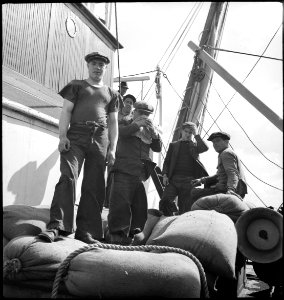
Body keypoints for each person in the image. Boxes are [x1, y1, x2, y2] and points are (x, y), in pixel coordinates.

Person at [38, 52, 119, 244]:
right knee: (68, 176)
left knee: (95, 184)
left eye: (101, 65)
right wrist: (62, 136)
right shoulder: (76, 86)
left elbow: (114, 123)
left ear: (105, 68)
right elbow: (66, 111)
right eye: (94, 64)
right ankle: (58, 226)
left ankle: (86, 231)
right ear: (88, 66)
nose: (98, 67)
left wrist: (113, 149)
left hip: (100, 138)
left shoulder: (112, 94)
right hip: (76, 136)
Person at [107, 101, 162, 245]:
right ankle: (117, 237)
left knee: (139, 206)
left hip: (140, 173)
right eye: (142, 113)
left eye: (147, 114)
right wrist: (137, 125)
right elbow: (121, 134)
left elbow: (157, 148)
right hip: (124, 169)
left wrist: (155, 135)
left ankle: (133, 235)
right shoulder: (124, 121)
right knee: (120, 204)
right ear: (135, 112)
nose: (144, 117)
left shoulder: (149, 129)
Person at [159, 121, 209, 216]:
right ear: (181, 131)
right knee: (165, 201)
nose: (188, 134)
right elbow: (167, 162)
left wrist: (196, 134)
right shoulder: (173, 145)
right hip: (173, 180)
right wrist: (165, 175)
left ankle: (180, 224)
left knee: (185, 208)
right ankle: (168, 220)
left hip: (189, 181)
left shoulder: (194, 146)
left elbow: (205, 148)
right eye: (186, 131)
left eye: (190, 133)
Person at [191, 131, 247, 202]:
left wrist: (231, 190)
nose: (215, 144)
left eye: (218, 141)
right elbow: (220, 175)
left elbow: (232, 173)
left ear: (226, 142)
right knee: (206, 186)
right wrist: (202, 180)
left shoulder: (226, 153)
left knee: (194, 192)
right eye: (213, 142)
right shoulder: (225, 153)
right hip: (232, 188)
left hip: (227, 190)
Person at [104, 93, 137, 209]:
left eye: (131, 103)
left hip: (124, 153)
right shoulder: (114, 114)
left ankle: (112, 203)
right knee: (109, 175)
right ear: (123, 103)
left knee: (117, 178)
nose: (128, 104)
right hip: (110, 148)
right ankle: (106, 202)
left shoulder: (133, 118)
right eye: (127, 101)